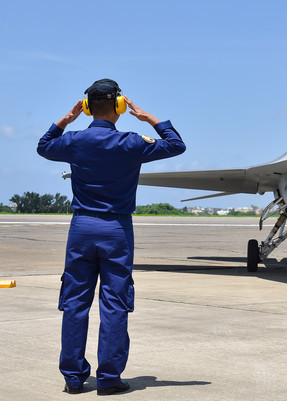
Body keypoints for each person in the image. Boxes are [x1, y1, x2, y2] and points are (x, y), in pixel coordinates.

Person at [37, 79, 186, 395]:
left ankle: (74, 379)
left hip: (81, 229)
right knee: (114, 303)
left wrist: (66, 119)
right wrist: (148, 118)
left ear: (88, 107)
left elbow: (44, 146)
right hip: (116, 231)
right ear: (119, 107)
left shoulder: (75, 141)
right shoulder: (133, 142)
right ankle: (108, 379)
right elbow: (176, 144)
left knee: (75, 303)